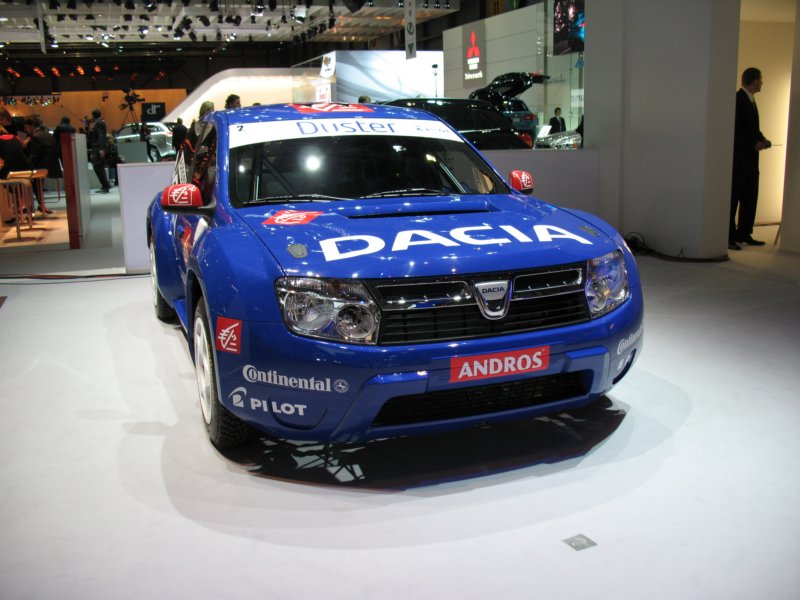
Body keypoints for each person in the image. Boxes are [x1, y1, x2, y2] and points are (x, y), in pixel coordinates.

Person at [729, 67, 771, 251]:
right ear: (754, 81)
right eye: (760, 79)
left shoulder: (751, 101)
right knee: (734, 197)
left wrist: (762, 139)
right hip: (739, 159)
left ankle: (744, 233)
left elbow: (752, 129)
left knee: (750, 196)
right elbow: (735, 129)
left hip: (751, 160)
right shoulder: (738, 99)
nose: (762, 83)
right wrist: (753, 143)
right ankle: (729, 236)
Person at [0, 124, 34, 224]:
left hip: (11, 169)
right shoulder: (15, 137)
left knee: (3, 185)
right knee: (17, 186)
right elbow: (22, 147)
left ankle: (10, 214)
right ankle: (22, 207)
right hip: (26, 167)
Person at [27, 124, 61, 214]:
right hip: (48, 165)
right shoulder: (48, 135)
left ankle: (31, 207)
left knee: (32, 186)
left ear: (30, 126)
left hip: (38, 166)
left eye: (26, 127)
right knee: (39, 186)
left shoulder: (35, 137)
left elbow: (34, 154)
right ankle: (41, 205)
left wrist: (28, 164)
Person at [88, 108, 111, 193]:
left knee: (97, 166)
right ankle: (105, 185)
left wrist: (101, 149)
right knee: (99, 167)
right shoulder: (99, 122)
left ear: (93, 115)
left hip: (98, 147)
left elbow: (101, 136)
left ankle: (105, 186)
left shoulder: (98, 123)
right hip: (98, 147)